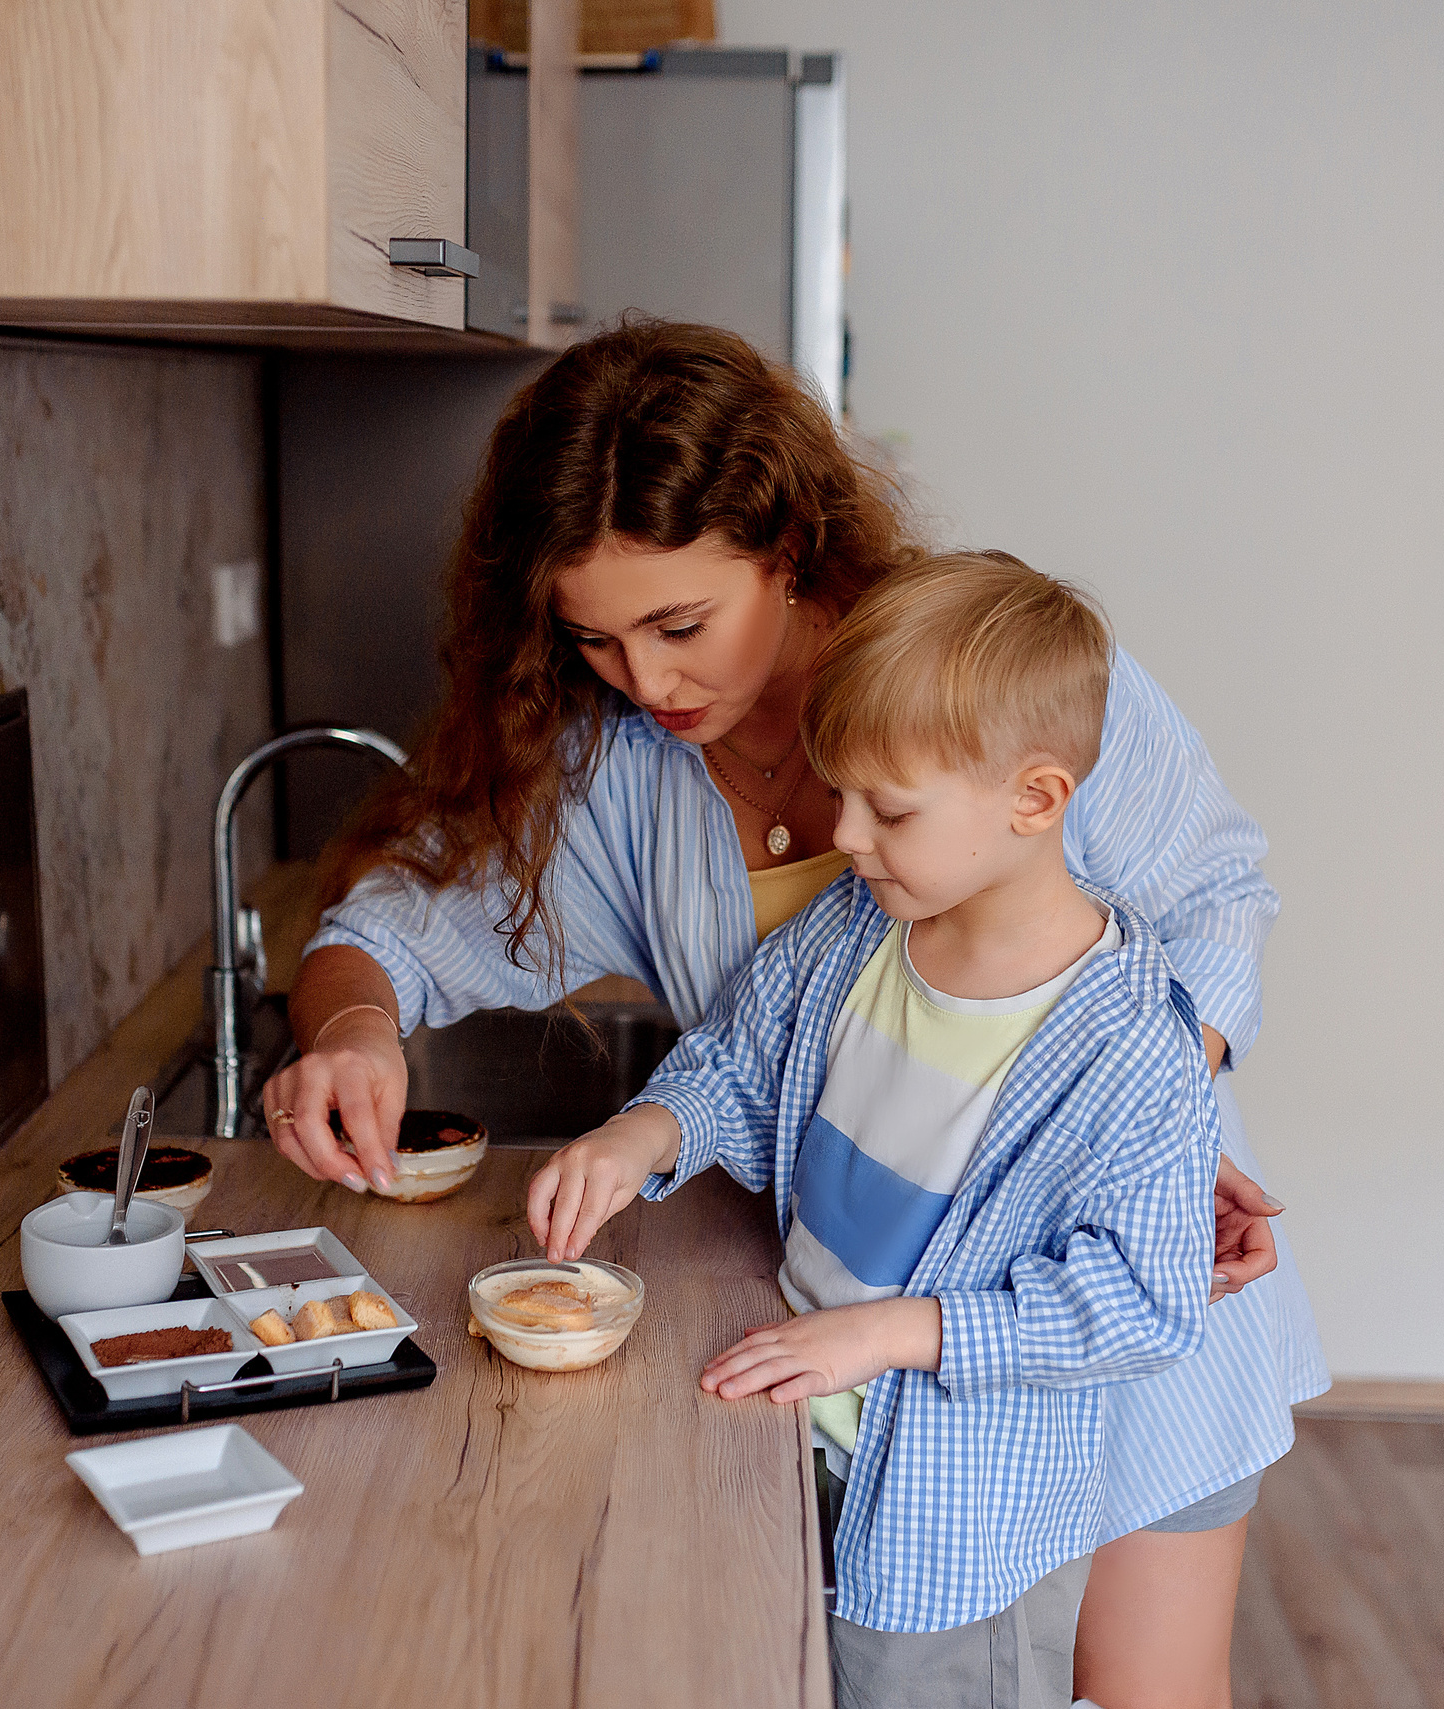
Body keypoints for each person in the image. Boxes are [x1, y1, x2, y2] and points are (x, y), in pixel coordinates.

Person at [263, 320, 1327, 1702]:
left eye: (679, 626)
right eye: (594, 641)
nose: (647, 681)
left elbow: (1216, 895)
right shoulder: (612, 774)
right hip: (875, 1373)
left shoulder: (990, 675)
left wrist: (1142, 1126)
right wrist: (351, 1029)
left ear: (786, 544)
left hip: (1108, 1317)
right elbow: (390, 937)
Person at [528, 552, 1221, 1707]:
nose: (844, 834)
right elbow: (740, 1059)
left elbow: (1142, 1302)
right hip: (797, 1433)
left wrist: (894, 1332)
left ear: (1035, 799)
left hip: (954, 1526)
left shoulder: (1130, 1044)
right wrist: (643, 1132)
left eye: (888, 809)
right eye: (838, 791)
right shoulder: (859, 927)